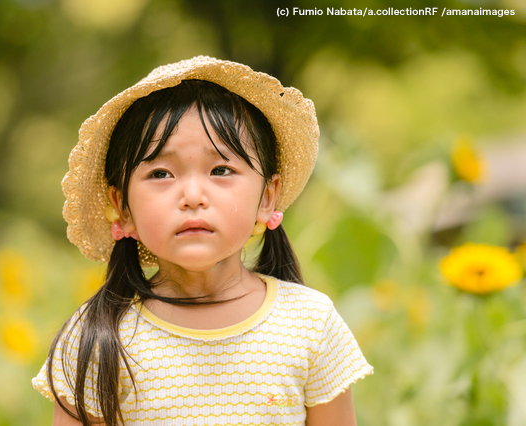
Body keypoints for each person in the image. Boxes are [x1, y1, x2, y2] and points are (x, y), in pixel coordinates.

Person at [32, 56, 373, 426]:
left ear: (267, 198)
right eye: (161, 173)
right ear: (122, 207)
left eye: (221, 170)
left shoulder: (309, 324)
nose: (193, 195)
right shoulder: (98, 336)